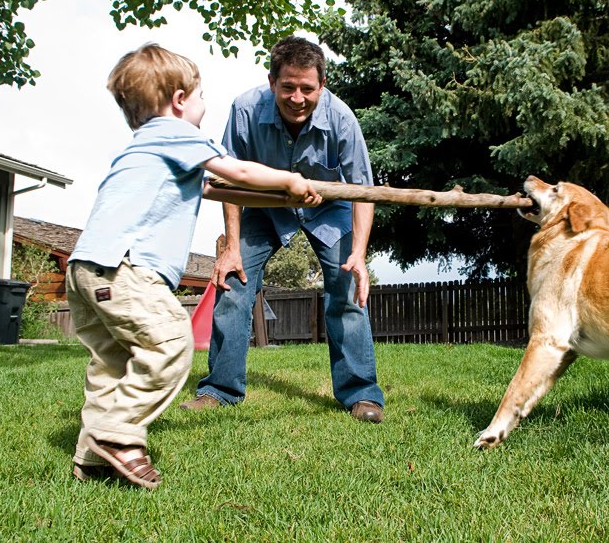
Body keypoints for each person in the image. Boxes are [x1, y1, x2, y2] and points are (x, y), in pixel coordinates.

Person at [67, 43, 321, 489]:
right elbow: (237, 172)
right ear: (180, 100)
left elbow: (219, 189)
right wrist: (289, 179)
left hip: (86, 268)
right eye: (202, 95)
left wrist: (285, 196)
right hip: (127, 268)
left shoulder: (145, 145)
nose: (206, 105)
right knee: (170, 342)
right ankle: (119, 433)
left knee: (111, 364)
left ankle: (92, 455)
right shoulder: (175, 130)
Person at [180, 36, 385, 423]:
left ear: (321, 86)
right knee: (233, 282)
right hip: (265, 205)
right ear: (272, 81)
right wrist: (231, 248)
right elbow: (228, 184)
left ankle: (362, 394)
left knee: (346, 287)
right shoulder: (244, 109)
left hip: (327, 208)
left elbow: (363, 190)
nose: (297, 97)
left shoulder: (341, 118)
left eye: (307, 88)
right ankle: (220, 390)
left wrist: (358, 253)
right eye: (288, 86)